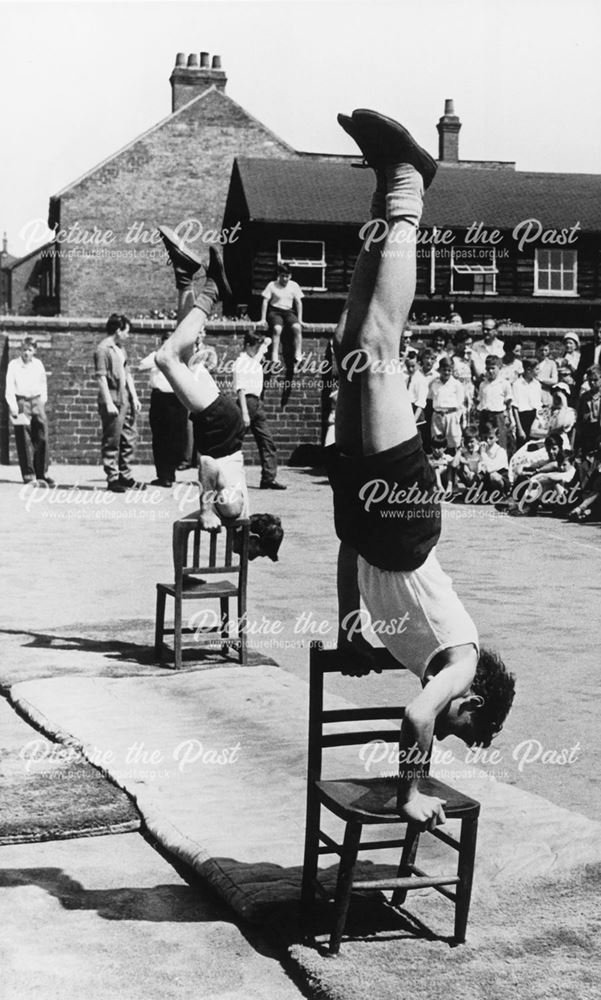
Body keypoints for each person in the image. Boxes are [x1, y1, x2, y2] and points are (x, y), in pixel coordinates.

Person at [327, 108, 515, 829]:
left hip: (373, 527)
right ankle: (408, 187)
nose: (445, 722)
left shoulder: (420, 655)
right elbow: (416, 716)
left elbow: (352, 552)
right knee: (377, 351)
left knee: (353, 344)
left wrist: (351, 624)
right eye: (460, 725)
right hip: (403, 521)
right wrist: (411, 791)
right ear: (476, 700)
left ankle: (388, 190)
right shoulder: (458, 663)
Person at [154, 225, 283, 561]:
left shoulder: (239, 516)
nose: (249, 556)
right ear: (253, 538)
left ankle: (185, 278)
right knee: (165, 357)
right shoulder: (233, 508)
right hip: (218, 427)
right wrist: (206, 509)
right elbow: (210, 466)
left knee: (180, 355)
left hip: (221, 426)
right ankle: (213, 289)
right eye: (256, 551)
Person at [94, 314, 145, 493]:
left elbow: (128, 373)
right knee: (112, 439)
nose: (127, 335)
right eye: (126, 332)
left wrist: (135, 397)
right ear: (118, 330)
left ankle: (125, 474)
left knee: (129, 437)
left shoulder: (120, 349)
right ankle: (113, 477)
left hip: (125, 399)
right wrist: (108, 402)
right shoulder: (103, 349)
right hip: (113, 398)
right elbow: (101, 378)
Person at [232, 331, 287, 490]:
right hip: (246, 403)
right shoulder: (241, 362)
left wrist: (262, 342)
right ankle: (229, 477)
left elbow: (268, 341)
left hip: (258, 403)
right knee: (235, 442)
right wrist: (244, 413)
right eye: (255, 347)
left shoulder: (253, 358)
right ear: (247, 346)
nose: (259, 350)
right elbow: (240, 389)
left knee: (267, 441)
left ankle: (268, 479)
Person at [139, 333, 188, 487]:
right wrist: (159, 360)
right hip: (160, 399)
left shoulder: (179, 359)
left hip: (176, 399)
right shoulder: (155, 356)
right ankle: (162, 475)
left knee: (176, 437)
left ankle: (171, 473)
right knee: (160, 437)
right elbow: (141, 366)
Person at [5, 337, 54, 485]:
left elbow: (43, 383)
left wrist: (42, 401)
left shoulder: (38, 364)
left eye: (30, 350)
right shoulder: (14, 365)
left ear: (35, 351)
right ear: (21, 350)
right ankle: (28, 475)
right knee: (24, 438)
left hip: (37, 401)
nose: (26, 353)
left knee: (42, 436)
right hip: (21, 402)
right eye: (24, 349)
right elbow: (10, 387)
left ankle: (42, 473)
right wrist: (13, 407)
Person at [260, 265, 303, 366]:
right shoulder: (272, 285)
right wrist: (262, 319)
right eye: (282, 276)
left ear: (290, 276)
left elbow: (298, 303)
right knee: (277, 329)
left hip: (288, 311)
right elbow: (265, 301)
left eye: (287, 276)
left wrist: (300, 319)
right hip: (275, 311)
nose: (284, 279)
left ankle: (298, 355)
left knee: (297, 327)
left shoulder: (294, 285)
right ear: (279, 275)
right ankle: (274, 357)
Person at [427, 355, 465, 452]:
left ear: (452, 370)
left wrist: (457, 418)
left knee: (453, 441)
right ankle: (439, 463)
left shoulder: (456, 384)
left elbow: (460, 403)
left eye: (449, 370)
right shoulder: (434, 383)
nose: (446, 373)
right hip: (437, 415)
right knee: (437, 442)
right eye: (444, 370)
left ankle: (453, 461)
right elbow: (430, 398)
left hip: (451, 415)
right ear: (440, 370)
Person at [477, 354, 514, 449]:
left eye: (493, 368)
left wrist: (507, 417)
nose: (490, 371)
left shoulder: (504, 383)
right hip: (485, 415)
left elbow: (508, 402)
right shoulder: (483, 384)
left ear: (499, 368)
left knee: (500, 442)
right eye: (488, 368)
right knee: (484, 441)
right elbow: (481, 400)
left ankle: (501, 462)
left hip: (498, 416)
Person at [511, 359, 543, 444]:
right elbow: (515, 408)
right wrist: (520, 429)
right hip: (523, 419)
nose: (539, 371)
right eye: (536, 369)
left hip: (535, 418)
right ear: (528, 370)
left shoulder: (537, 384)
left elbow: (539, 405)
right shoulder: (517, 384)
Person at [575, 319, 601, 389]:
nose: (598, 335)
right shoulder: (587, 349)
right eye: (596, 332)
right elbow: (581, 369)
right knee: (584, 388)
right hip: (589, 379)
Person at [534, 341, 558, 406]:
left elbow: (554, 380)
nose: (543, 352)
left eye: (546, 350)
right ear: (537, 350)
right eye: (541, 350)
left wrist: (540, 380)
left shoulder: (551, 363)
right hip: (533, 393)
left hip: (545, 393)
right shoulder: (533, 363)